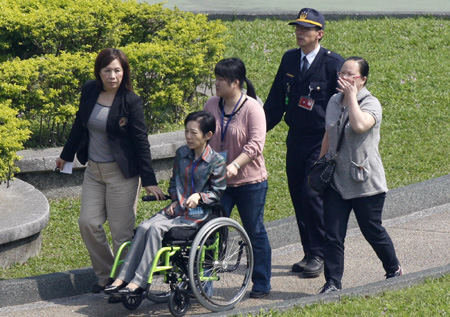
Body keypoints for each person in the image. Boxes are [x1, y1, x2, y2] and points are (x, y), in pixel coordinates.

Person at [55, 48, 165, 300]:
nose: (112, 75)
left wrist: (149, 181)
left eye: (117, 70)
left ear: (124, 72)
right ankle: (106, 276)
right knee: (88, 223)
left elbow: (141, 142)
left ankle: (123, 281)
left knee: (121, 233)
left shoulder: (131, 101)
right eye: (107, 70)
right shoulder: (90, 91)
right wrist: (66, 155)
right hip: (93, 171)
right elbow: (79, 124)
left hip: (122, 175)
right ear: (99, 72)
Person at [104, 110, 227, 294]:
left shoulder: (216, 161)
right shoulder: (182, 153)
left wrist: (199, 197)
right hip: (178, 210)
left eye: (194, 133)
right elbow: (174, 182)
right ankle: (122, 277)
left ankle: (138, 282)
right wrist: (176, 200)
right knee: (145, 227)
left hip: (199, 216)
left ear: (208, 135)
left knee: (155, 229)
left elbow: (217, 193)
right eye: (186, 131)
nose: (188, 136)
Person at [264, 8, 344, 277]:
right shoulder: (289, 60)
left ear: (319, 34)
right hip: (295, 138)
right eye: (297, 27)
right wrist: (256, 130)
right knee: (298, 197)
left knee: (312, 196)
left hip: (320, 141)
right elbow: (275, 102)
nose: (299, 32)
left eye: (306, 29)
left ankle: (320, 255)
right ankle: (309, 252)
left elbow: (343, 106)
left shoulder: (333, 64)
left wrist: (335, 144)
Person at [319, 56, 402, 293]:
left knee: (372, 230)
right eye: (341, 73)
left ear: (362, 80)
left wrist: (352, 97)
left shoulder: (371, 103)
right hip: (336, 181)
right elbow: (328, 133)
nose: (343, 78)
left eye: (350, 75)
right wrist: (320, 161)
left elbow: (358, 125)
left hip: (365, 182)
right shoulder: (334, 101)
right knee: (333, 235)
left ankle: (393, 268)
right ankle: (333, 282)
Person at [203, 58, 272, 298]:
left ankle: (261, 282)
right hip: (218, 183)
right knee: (210, 232)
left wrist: (234, 165)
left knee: (254, 230)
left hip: (249, 182)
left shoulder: (253, 108)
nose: (216, 83)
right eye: (216, 77)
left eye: (221, 79)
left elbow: (255, 145)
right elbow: (203, 136)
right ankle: (204, 284)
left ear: (236, 83)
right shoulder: (211, 104)